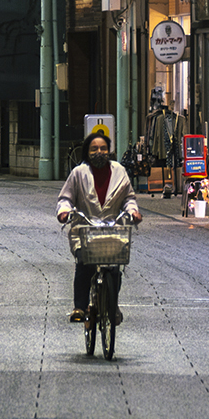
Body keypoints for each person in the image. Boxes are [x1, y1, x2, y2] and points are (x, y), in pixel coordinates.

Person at [53, 126, 141, 325]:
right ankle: (80, 306)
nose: (99, 152)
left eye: (103, 148)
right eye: (94, 149)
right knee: (84, 264)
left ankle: (112, 306)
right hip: (85, 228)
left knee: (114, 269)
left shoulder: (119, 171)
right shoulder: (78, 173)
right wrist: (64, 212)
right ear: (87, 152)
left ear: (109, 151)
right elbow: (65, 198)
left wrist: (133, 211)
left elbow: (129, 197)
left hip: (112, 229)